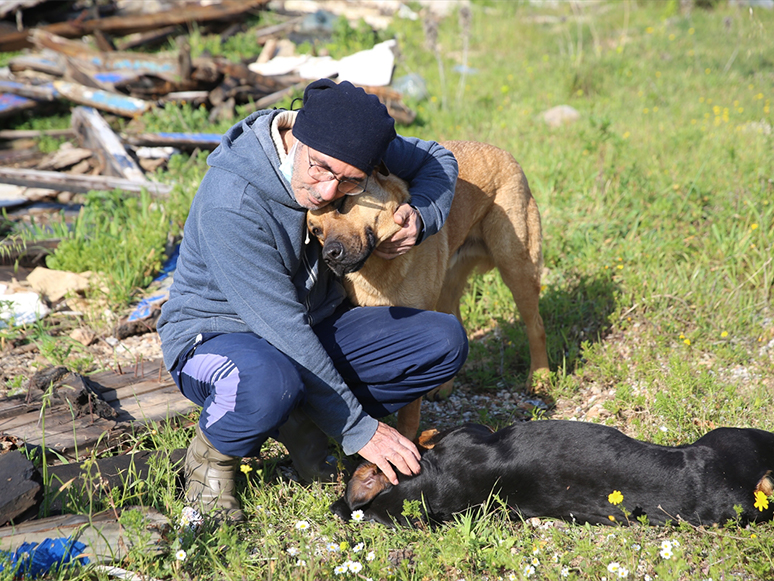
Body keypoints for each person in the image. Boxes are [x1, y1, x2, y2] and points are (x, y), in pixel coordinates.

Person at [157, 78, 468, 523]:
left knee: (442, 340)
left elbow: (438, 159)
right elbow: (283, 331)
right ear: (296, 135)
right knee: (269, 379)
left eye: (349, 182)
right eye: (320, 169)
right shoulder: (233, 201)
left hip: (313, 320)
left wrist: (422, 215)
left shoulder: (352, 147)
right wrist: (363, 431)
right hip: (219, 336)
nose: (325, 191)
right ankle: (211, 459)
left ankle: (303, 417)